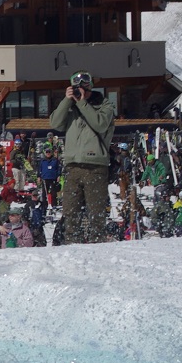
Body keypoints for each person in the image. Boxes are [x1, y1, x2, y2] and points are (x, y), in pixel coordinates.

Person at [48, 71, 115, 244]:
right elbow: (55, 123)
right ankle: (72, 242)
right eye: (76, 88)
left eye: (84, 87)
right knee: (70, 209)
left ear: (90, 86)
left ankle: (97, 241)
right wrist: (66, 100)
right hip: (72, 165)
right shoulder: (71, 108)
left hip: (95, 166)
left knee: (96, 210)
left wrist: (83, 103)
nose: (80, 91)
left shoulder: (105, 106)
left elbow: (99, 124)